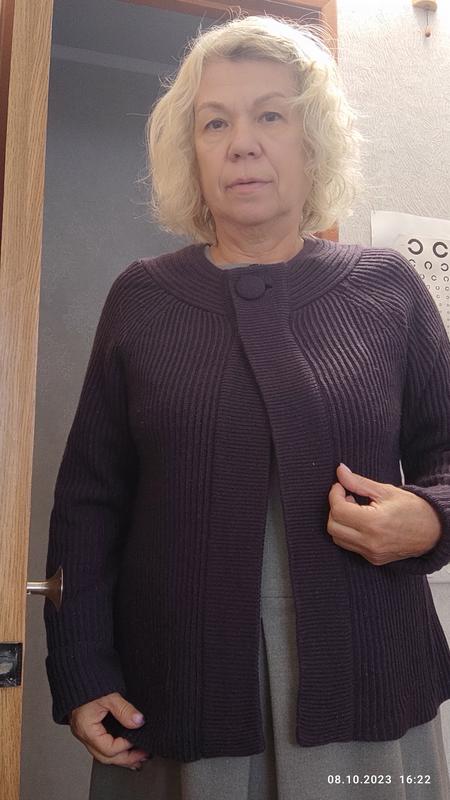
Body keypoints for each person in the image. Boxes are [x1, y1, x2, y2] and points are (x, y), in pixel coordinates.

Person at [44, 13, 450, 800]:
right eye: (215, 123)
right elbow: (89, 502)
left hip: (368, 695)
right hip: (178, 698)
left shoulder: (388, 289)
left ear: (313, 142)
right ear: (191, 153)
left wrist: (431, 519)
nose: (242, 144)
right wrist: (82, 665)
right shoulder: (142, 300)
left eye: (271, 115)